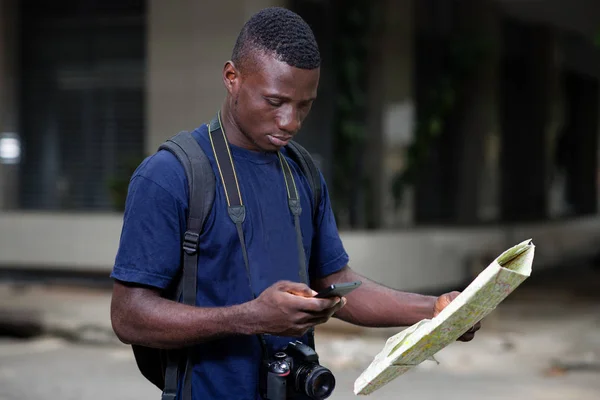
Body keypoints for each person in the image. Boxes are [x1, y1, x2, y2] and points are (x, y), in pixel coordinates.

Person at [109, 6, 481, 400]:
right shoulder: (170, 176)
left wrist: (438, 310)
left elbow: (338, 285)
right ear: (232, 77)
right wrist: (250, 318)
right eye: (275, 101)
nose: (291, 121)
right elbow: (128, 317)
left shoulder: (302, 173)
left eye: (304, 105)